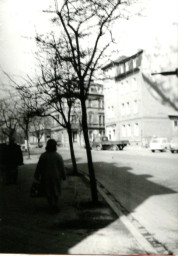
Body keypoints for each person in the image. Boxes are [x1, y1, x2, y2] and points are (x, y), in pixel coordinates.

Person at [34, 139, 66, 213]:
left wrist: (36, 175)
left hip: (46, 177)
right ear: (55, 146)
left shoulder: (43, 156)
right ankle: (55, 205)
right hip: (56, 177)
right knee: (56, 191)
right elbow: (62, 167)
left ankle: (51, 205)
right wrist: (64, 176)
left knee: (48, 191)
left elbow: (39, 166)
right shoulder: (58, 156)